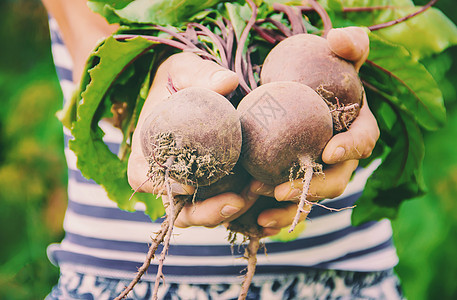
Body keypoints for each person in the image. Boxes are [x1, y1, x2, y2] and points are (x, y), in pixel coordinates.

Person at [42, 0, 403, 299]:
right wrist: (151, 74)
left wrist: (343, 76)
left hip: (343, 273)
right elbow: (86, 26)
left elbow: (337, 53)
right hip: (110, 268)